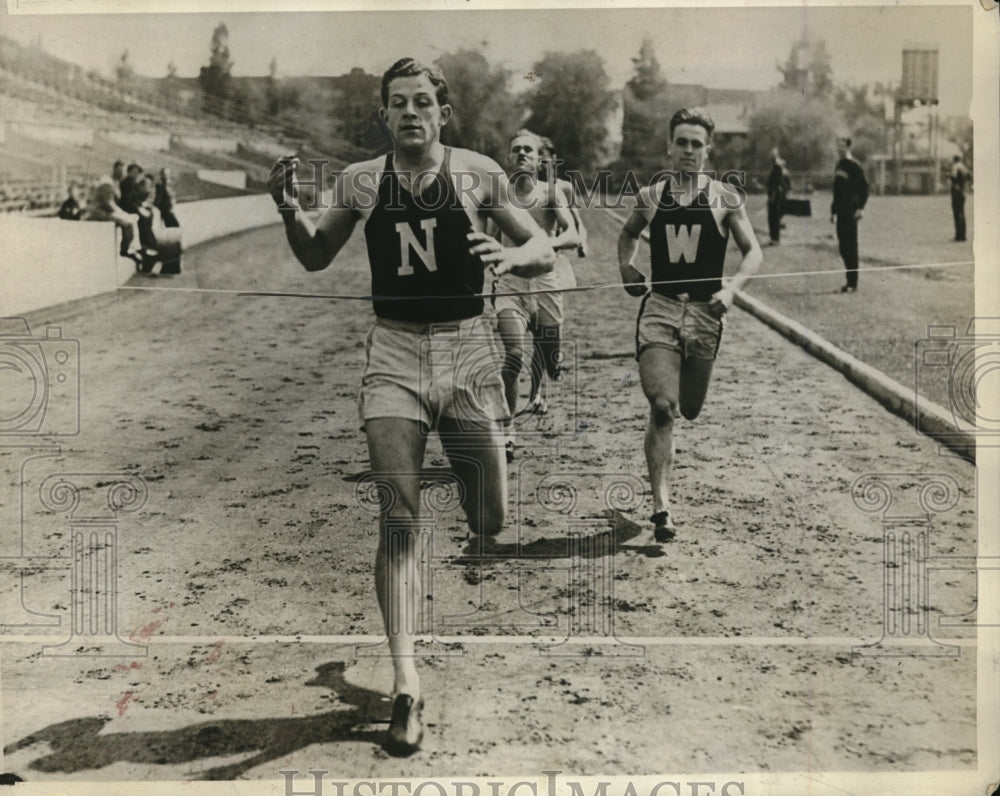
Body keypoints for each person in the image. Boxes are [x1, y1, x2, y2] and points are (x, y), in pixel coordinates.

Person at [266, 57, 553, 757]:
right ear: (384, 114)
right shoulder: (362, 180)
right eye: (397, 103)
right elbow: (315, 256)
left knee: (490, 517)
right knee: (399, 519)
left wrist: (512, 261)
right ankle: (405, 682)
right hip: (392, 357)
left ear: (443, 112)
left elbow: (541, 247)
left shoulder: (478, 172)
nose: (410, 113)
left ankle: (474, 470)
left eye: (423, 101)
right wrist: (288, 211)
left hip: (467, 354)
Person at [617, 107, 762, 542]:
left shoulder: (724, 198)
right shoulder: (652, 196)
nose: (688, 151)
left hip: (704, 315)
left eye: (697, 144)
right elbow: (627, 235)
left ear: (708, 150)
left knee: (689, 408)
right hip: (660, 309)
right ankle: (662, 508)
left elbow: (752, 251)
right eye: (681, 142)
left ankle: (662, 488)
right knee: (663, 407)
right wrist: (627, 266)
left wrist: (732, 289)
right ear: (669, 146)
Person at [491, 129, 580, 461]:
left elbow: (571, 233)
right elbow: (491, 240)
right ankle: (507, 432)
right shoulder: (500, 196)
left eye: (528, 149)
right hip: (511, 287)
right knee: (513, 356)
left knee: (549, 354)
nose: (522, 155)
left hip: (545, 283)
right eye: (516, 150)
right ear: (509, 158)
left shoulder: (551, 193)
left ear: (541, 158)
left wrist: (544, 245)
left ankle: (541, 386)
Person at [830, 136, 868, 293]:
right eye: (837, 146)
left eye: (842, 146)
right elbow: (836, 191)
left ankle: (852, 283)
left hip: (851, 211)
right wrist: (833, 211)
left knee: (851, 247)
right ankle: (849, 281)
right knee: (843, 247)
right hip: (840, 211)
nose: (839, 149)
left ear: (848, 147)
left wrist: (860, 208)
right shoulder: (839, 165)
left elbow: (864, 189)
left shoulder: (855, 166)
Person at [83, 176, 141, 261]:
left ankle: (131, 247)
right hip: (100, 214)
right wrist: (122, 213)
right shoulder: (106, 186)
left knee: (130, 220)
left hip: (101, 213)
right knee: (128, 223)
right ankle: (126, 249)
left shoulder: (103, 186)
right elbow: (109, 203)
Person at [765, 150, 791, 244]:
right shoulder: (776, 168)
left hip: (775, 197)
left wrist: (772, 196)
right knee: (773, 218)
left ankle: (775, 239)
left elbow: (775, 184)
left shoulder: (777, 168)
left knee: (773, 217)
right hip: (774, 196)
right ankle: (774, 238)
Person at [949, 155, 971, 242]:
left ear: (954, 160)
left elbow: (954, 177)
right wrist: (963, 185)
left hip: (956, 192)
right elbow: (969, 176)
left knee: (957, 213)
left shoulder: (955, 166)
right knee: (961, 213)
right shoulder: (963, 167)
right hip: (963, 192)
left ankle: (958, 236)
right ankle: (963, 235)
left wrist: (955, 183)